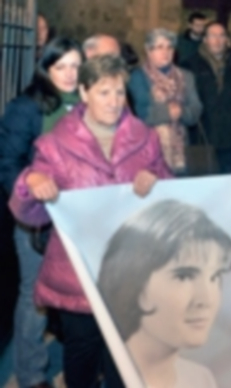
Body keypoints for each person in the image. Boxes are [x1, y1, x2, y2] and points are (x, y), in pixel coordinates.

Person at [8, 55, 172, 388]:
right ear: (83, 93)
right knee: (82, 354)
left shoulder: (146, 138)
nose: (114, 101)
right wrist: (31, 183)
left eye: (119, 92)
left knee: (125, 358)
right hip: (78, 272)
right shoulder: (54, 145)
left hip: (130, 270)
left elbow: (169, 196)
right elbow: (30, 214)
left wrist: (156, 180)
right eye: (103, 92)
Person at [0, 37, 83, 388]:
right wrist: (30, 178)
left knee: (80, 291)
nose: (69, 74)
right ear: (46, 68)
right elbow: (7, 161)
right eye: (60, 66)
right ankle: (31, 374)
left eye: (76, 66)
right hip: (38, 217)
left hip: (80, 215)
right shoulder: (27, 107)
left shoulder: (89, 102)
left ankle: (81, 364)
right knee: (34, 295)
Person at [97, 199, 231, 388]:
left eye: (215, 277)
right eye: (184, 276)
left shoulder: (201, 379)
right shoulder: (101, 378)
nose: (206, 300)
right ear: (135, 284)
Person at [182, 23, 231, 174]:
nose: (217, 40)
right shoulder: (190, 65)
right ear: (205, 39)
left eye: (221, 36)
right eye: (213, 36)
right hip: (202, 135)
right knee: (204, 181)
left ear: (226, 39)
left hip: (230, 134)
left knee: (229, 181)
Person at [128, 28, 203, 174]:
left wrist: (181, 111)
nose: (166, 52)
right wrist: (168, 112)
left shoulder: (186, 76)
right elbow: (141, 113)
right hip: (149, 151)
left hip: (183, 151)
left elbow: (196, 108)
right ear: (148, 50)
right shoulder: (138, 77)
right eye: (160, 47)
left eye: (169, 47)